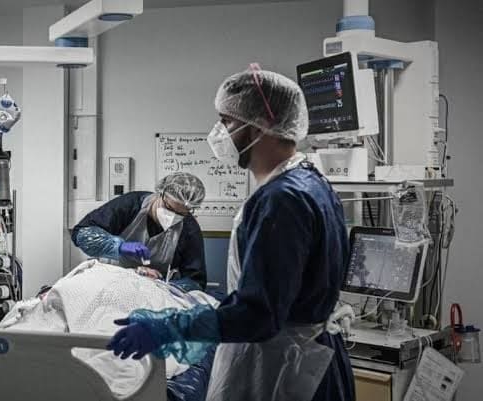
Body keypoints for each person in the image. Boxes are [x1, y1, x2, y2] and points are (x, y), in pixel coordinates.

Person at [108, 65, 355, 401]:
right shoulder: (310, 182)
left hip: (288, 370)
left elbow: (257, 315)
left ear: (260, 125)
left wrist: (169, 328)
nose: (219, 132)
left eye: (226, 121)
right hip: (308, 359)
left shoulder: (282, 200)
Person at [72, 172, 207, 290]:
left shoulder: (189, 229)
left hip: (153, 291)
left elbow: (195, 281)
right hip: (110, 281)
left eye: (180, 214)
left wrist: (164, 284)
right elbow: (81, 234)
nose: (172, 216)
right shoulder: (130, 205)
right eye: (169, 208)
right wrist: (119, 247)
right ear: (160, 194)